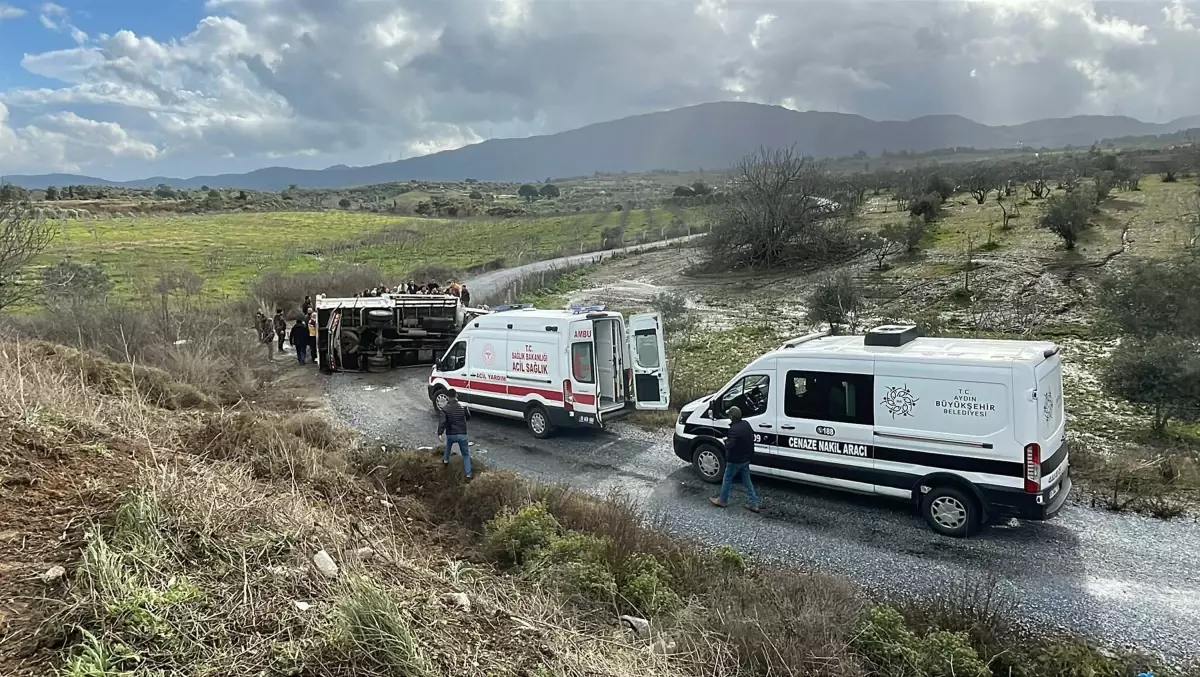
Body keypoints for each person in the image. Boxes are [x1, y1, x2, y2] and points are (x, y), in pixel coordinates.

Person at [709, 406, 759, 512]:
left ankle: (722, 500)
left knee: (727, 479)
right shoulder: (746, 424)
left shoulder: (734, 429)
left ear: (732, 417)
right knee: (747, 480)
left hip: (735, 460)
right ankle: (753, 502)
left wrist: (725, 441)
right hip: (746, 458)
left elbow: (730, 445)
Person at [437, 389, 472, 479]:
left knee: (448, 445)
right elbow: (468, 417)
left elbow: (443, 422)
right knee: (465, 454)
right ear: (456, 395)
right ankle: (468, 474)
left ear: (447, 397)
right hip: (462, 434)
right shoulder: (463, 407)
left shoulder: (444, 409)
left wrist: (440, 433)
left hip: (451, 433)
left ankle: (445, 461)